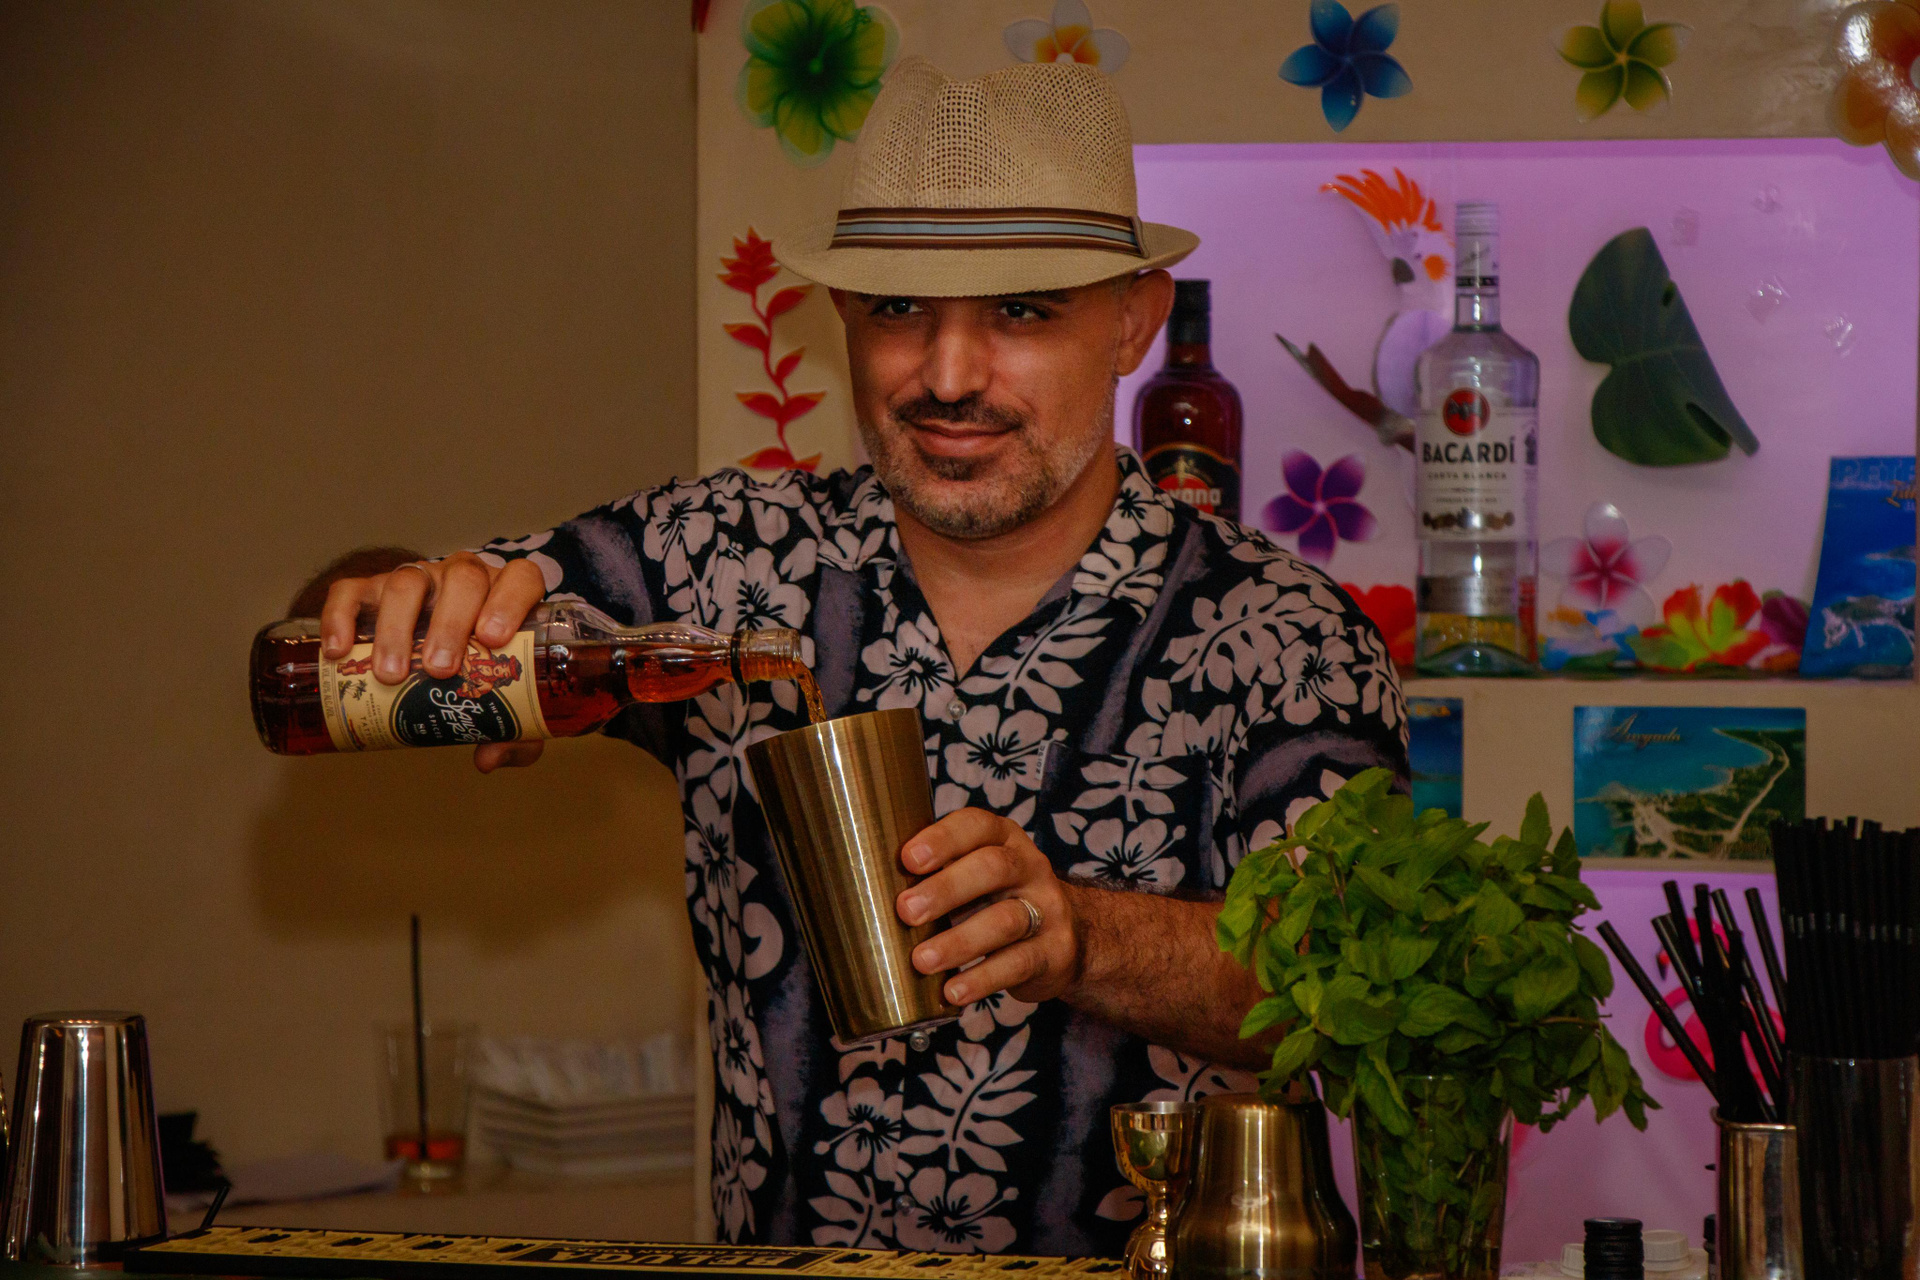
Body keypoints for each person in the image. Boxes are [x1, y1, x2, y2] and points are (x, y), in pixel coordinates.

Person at [310, 57, 1407, 1255]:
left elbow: (1355, 988)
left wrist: (1080, 935)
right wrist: (411, 599)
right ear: (839, 313)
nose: (948, 376)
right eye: (898, 310)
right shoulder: (725, 561)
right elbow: (368, 620)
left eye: (1022, 312)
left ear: (1136, 320)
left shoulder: (1284, 631)